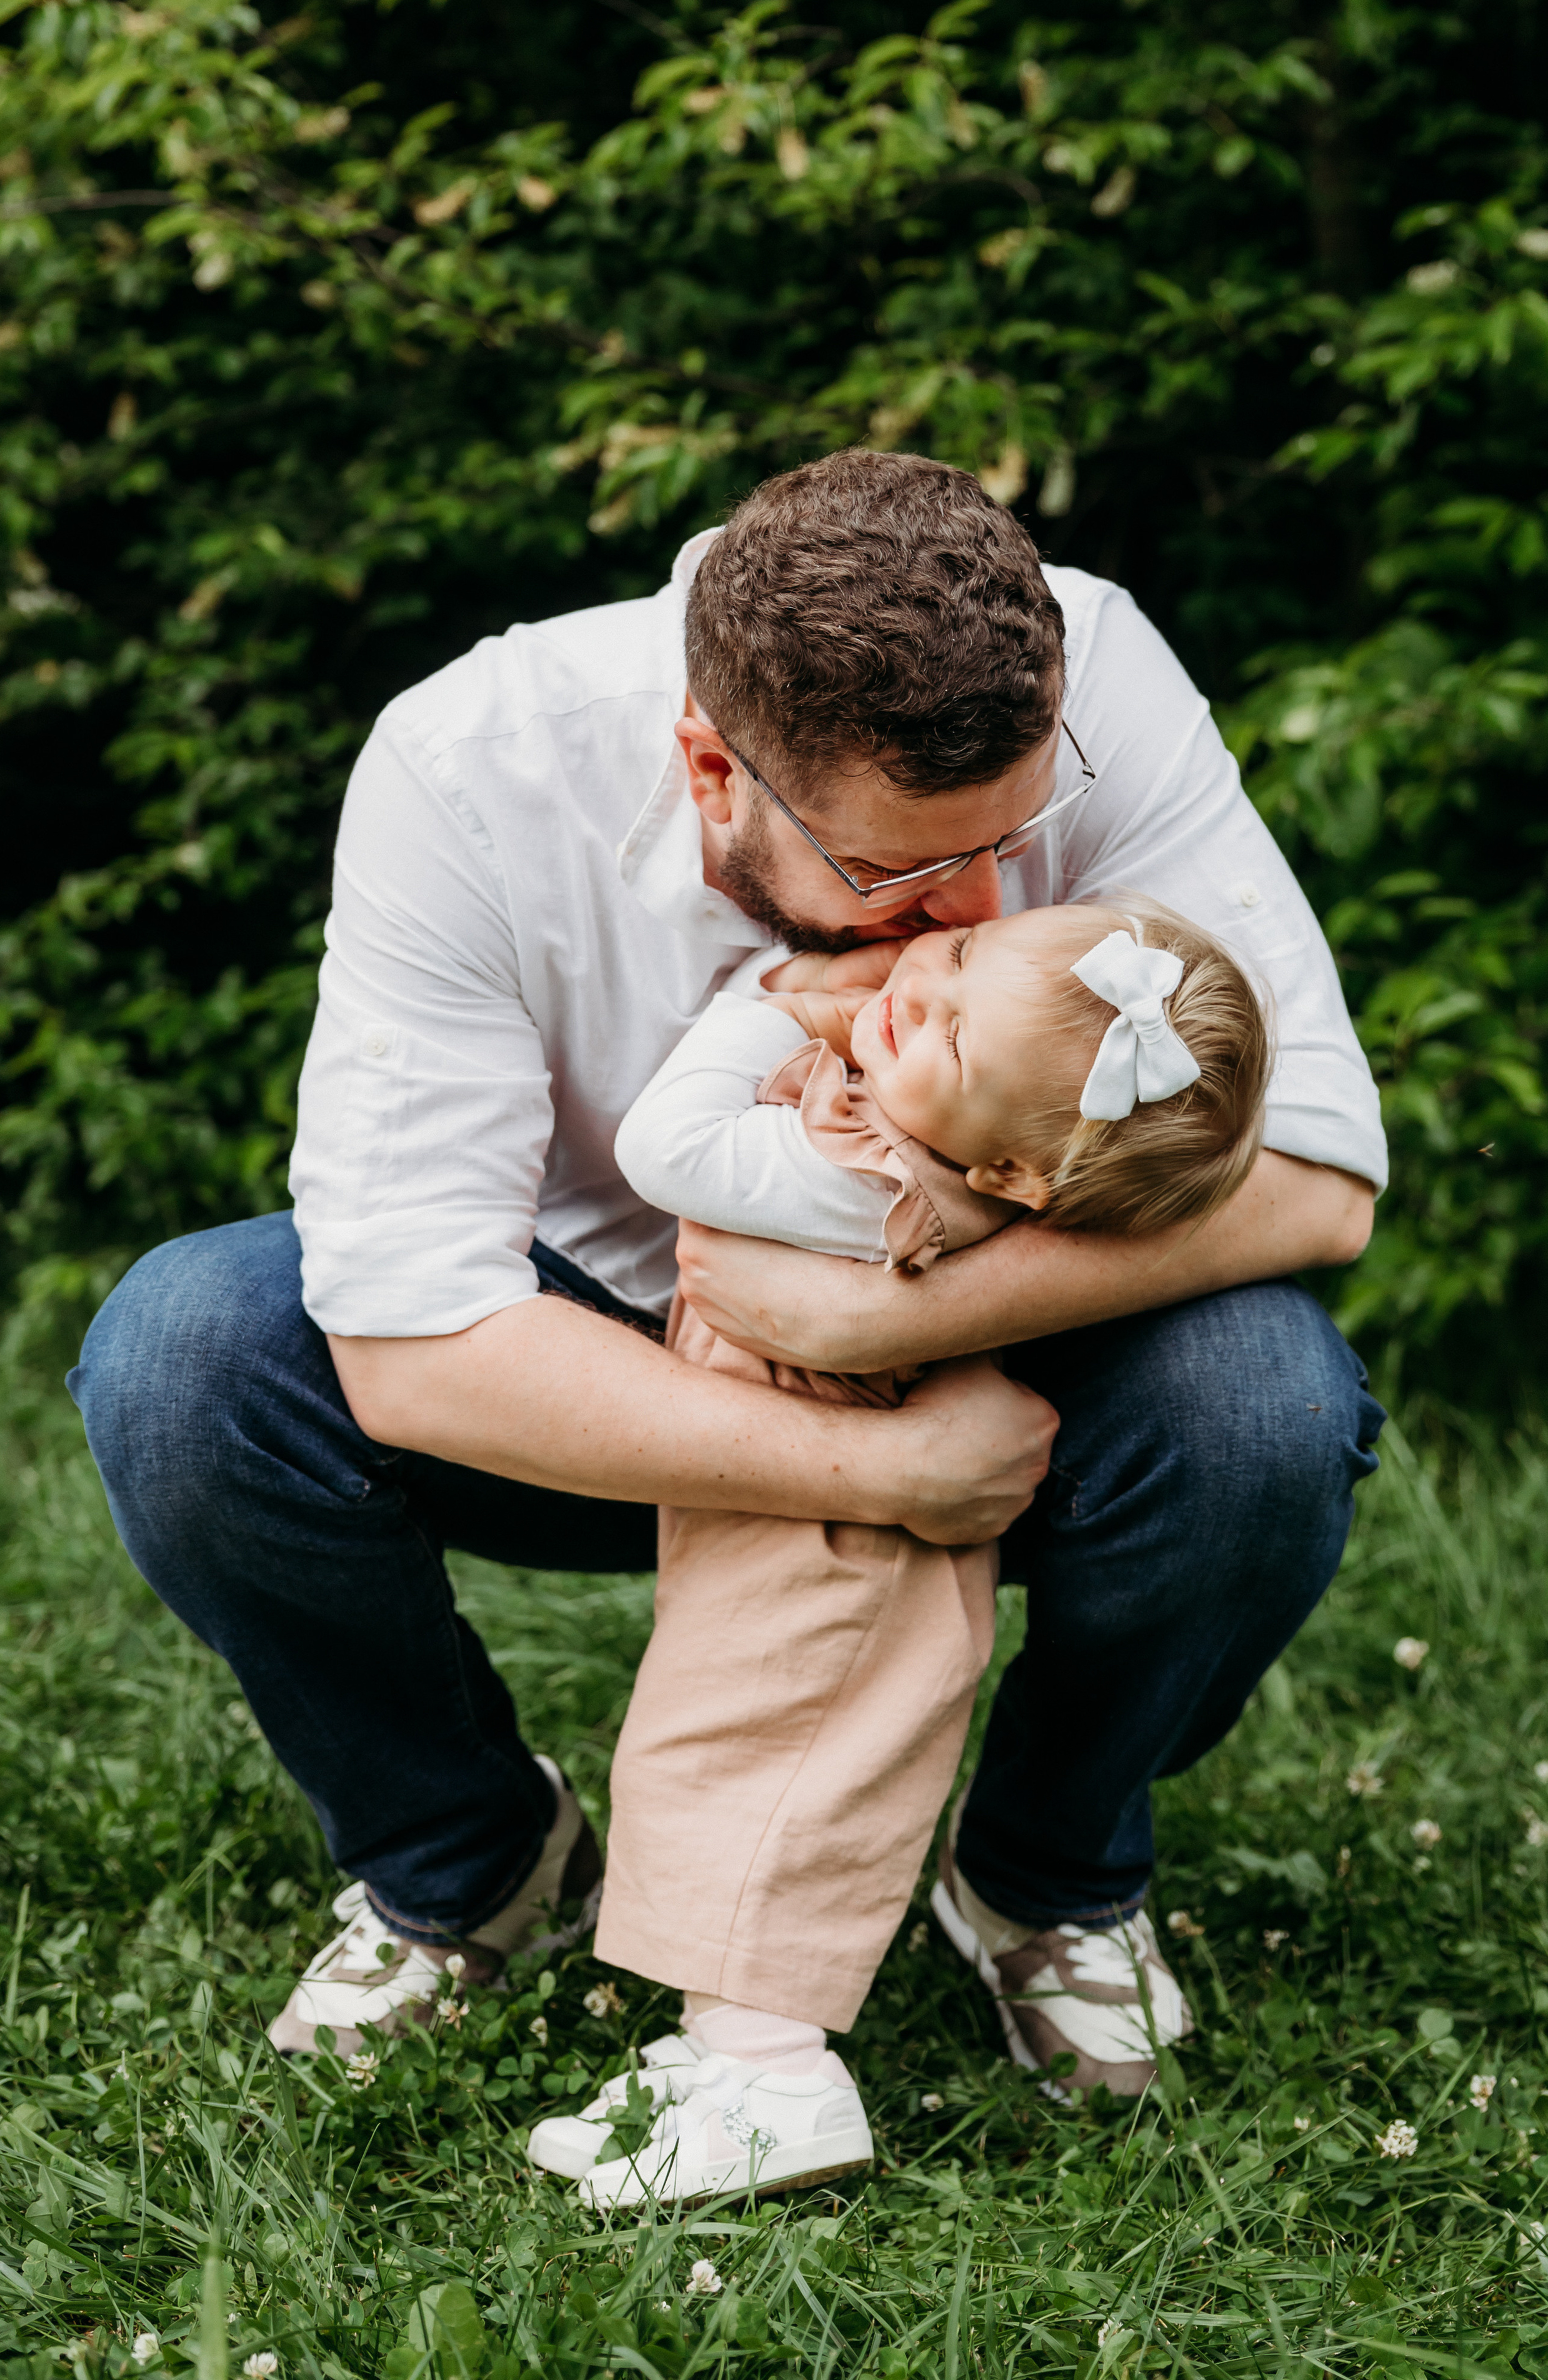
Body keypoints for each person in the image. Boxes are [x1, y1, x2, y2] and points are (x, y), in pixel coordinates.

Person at [67, 451, 1386, 2106]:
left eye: (1013, 847)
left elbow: (1322, 1176)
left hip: (989, 1360)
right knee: (183, 1359)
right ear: (712, 766)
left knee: (1264, 1397)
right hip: (598, 1353)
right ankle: (470, 1863)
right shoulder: (467, 767)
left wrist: (893, 1322)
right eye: (900, 877)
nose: (971, 911)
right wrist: (882, 1468)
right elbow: (415, 1345)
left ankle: (1046, 1879)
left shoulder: (1090, 664)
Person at [526, 897, 1272, 2209]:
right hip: (796, 1509)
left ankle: (772, 2080)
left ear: (1005, 1180)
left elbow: (663, 1146)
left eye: (953, 1042)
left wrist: (766, 1005)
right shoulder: (908, 1125)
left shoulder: (870, 1179)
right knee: (724, 1753)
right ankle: (719, 2061)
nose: (915, 993)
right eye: (960, 961)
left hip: (827, 1544)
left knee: (761, 1767)